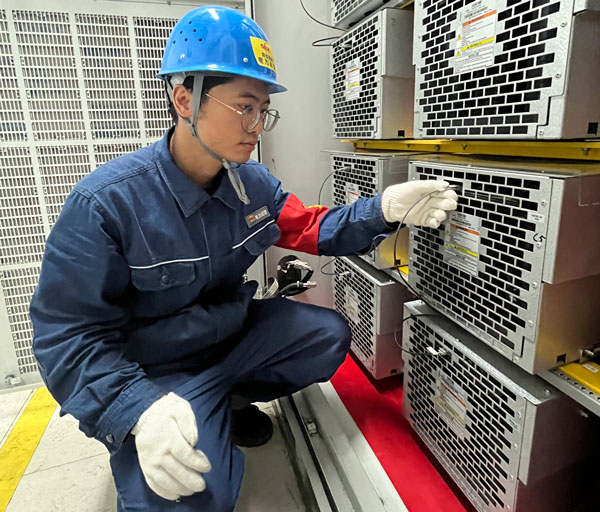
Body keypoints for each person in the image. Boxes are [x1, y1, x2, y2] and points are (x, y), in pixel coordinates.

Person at [29, 5, 458, 512]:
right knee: (189, 499)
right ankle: (189, 413)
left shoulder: (250, 183)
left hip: (229, 341)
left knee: (325, 336)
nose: (257, 125)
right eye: (243, 107)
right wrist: (137, 409)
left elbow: (311, 227)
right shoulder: (106, 204)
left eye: (263, 110)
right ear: (184, 99)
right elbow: (66, 334)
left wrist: (383, 210)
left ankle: (223, 402)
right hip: (156, 370)